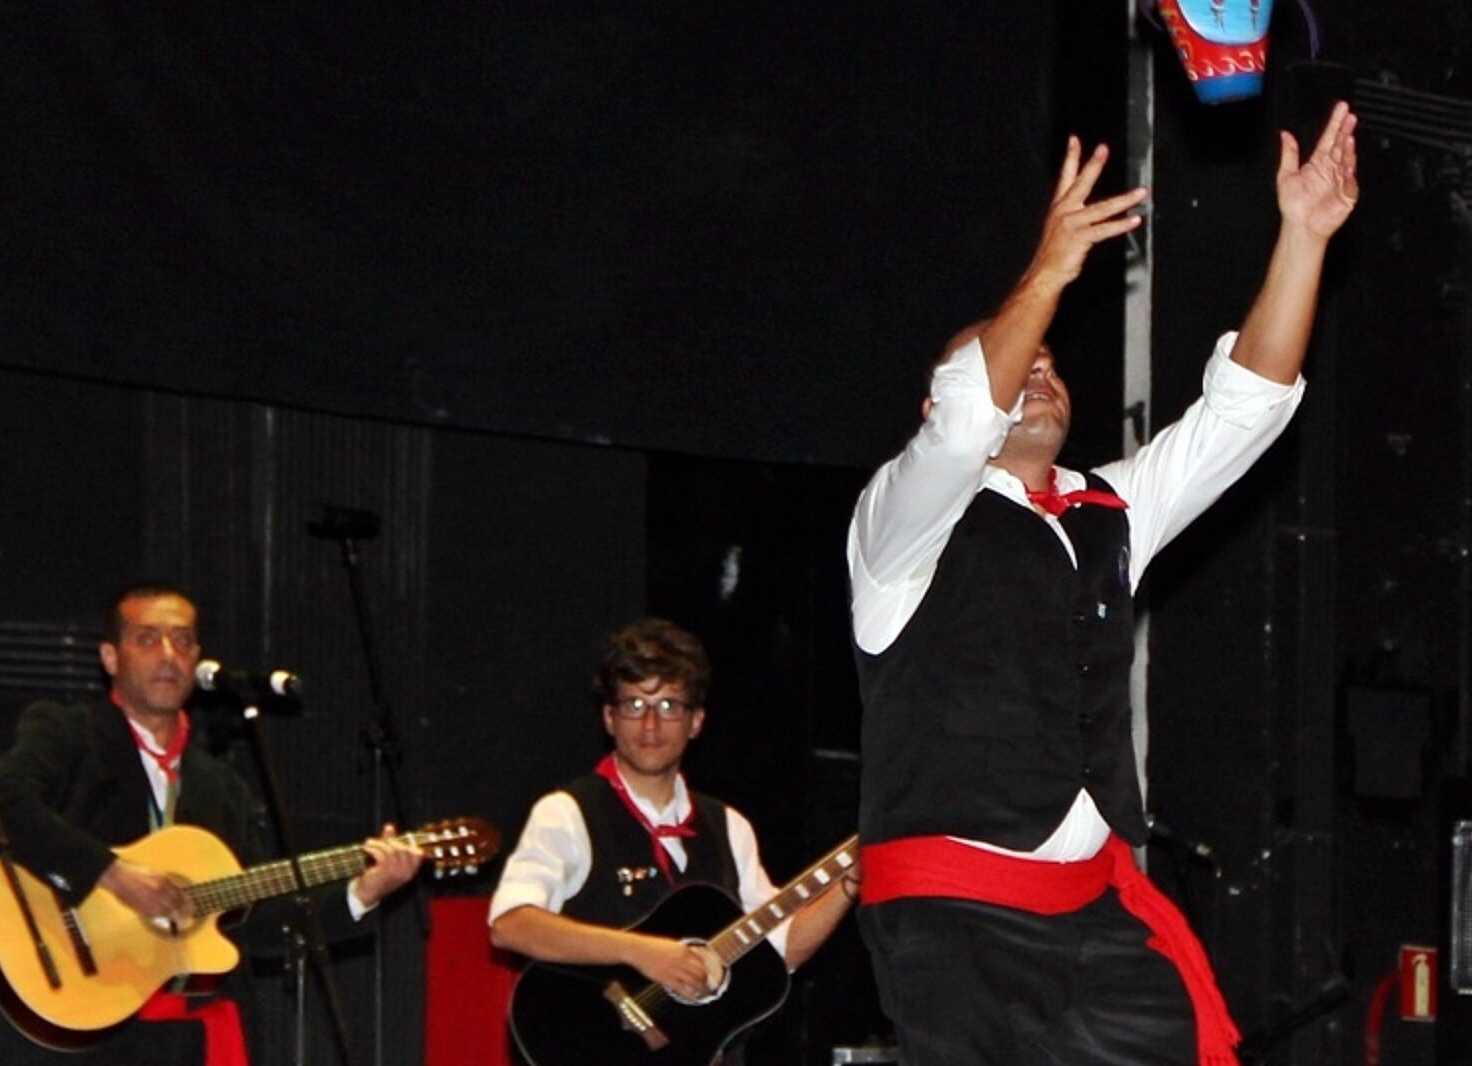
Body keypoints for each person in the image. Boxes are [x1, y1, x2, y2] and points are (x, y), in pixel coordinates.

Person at [847, 103, 1359, 1065]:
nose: (1037, 370)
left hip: (1088, 911)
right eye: (1016, 357)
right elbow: (963, 425)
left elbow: (1243, 411)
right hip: (954, 917)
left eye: (1049, 360)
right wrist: (1047, 273)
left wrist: (1304, 236)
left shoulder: (1111, 508)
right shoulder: (900, 519)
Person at [0, 582, 423, 1065]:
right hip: (81, 1012)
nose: (168, 655)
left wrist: (363, 891)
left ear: (197, 659)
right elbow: (3, 803)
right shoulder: (68, 732)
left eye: (183, 640)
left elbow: (260, 921)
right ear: (110, 657)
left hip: (187, 1038)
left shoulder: (221, 786)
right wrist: (111, 872)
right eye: (147, 638)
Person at [489, 617, 857, 1061]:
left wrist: (847, 886)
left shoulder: (729, 827)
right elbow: (510, 926)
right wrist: (641, 952)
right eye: (634, 704)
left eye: (668, 706)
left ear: (696, 721)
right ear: (609, 717)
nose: (650, 725)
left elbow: (783, 948)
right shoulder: (567, 813)